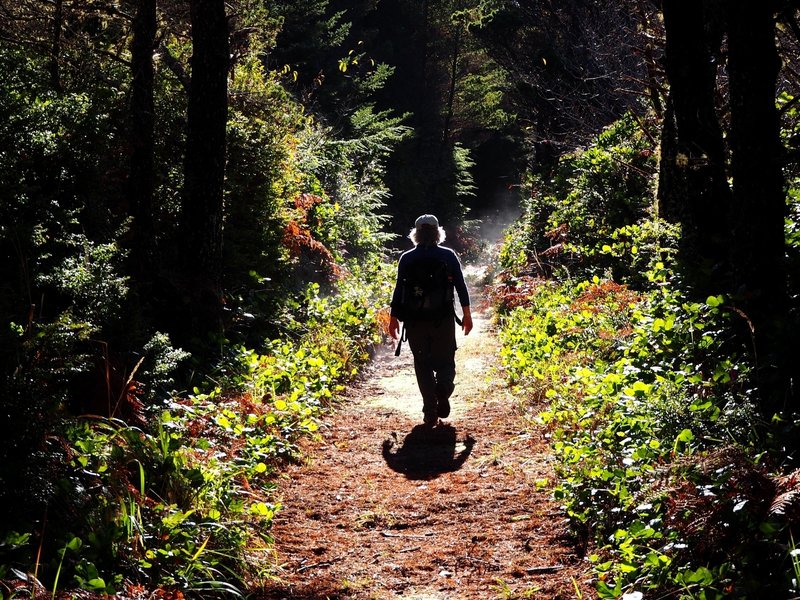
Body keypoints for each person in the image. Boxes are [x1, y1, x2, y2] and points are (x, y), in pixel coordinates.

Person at [389, 214, 473, 425]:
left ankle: (430, 412)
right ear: (438, 233)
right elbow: (461, 287)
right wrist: (467, 315)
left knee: (422, 364)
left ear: (416, 234)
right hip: (442, 319)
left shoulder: (407, 258)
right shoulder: (448, 256)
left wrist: (393, 319)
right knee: (446, 360)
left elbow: (399, 290)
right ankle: (443, 387)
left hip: (415, 321)